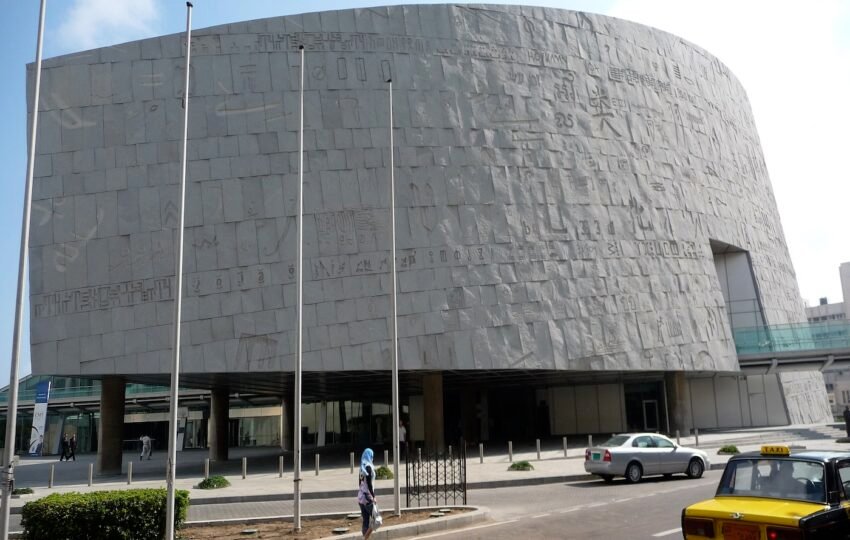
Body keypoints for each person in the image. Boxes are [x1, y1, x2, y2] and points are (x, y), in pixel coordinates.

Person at [357, 448, 377, 539]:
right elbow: (369, 484)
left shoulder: (362, 466)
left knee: (365, 520)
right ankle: (365, 538)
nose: (373, 458)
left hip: (361, 496)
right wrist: (373, 496)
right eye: (372, 456)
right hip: (368, 497)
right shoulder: (368, 467)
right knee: (377, 520)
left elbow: (360, 483)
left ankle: (365, 537)